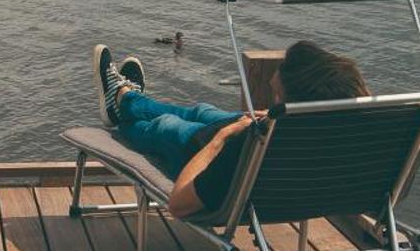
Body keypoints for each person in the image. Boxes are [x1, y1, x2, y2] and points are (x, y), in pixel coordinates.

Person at [92, 40, 368, 219]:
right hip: (257, 137)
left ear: (290, 91)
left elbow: (178, 205)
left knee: (165, 127)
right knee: (201, 110)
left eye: (282, 66)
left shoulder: (250, 144)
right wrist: (275, 116)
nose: (279, 67)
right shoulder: (347, 136)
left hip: (203, 152)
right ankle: (126, 97)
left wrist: (221, 139)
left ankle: (122, 105)